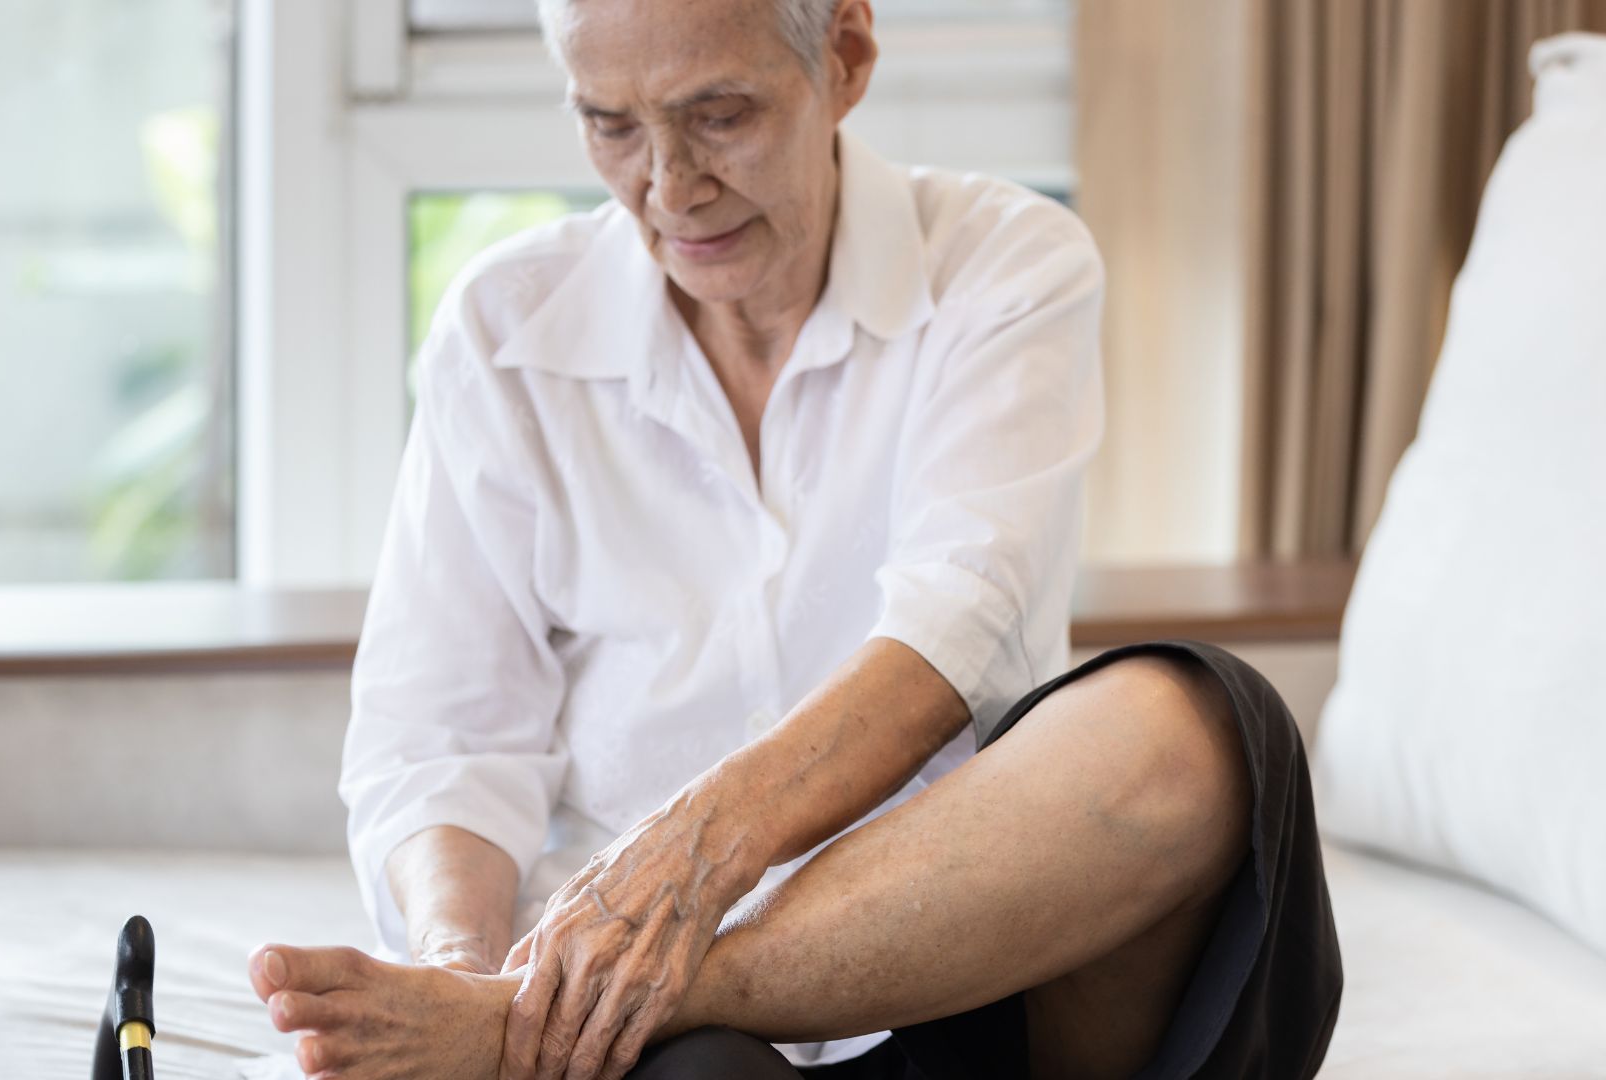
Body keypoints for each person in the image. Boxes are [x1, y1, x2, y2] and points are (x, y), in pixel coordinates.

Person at [249, 0, 1342, 1076]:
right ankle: (570, 1014)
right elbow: (442, 743)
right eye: (611, 126)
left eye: (719, 114)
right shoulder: (504, 331)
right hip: (647, 1055)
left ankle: (631, 993)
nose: (670, 189)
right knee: (701, 1072)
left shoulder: (1006, 265)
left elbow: (950, 641)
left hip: (958, 978)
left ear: (848, 56)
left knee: (1193, 724)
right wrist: (460, 969)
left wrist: (679, 875)